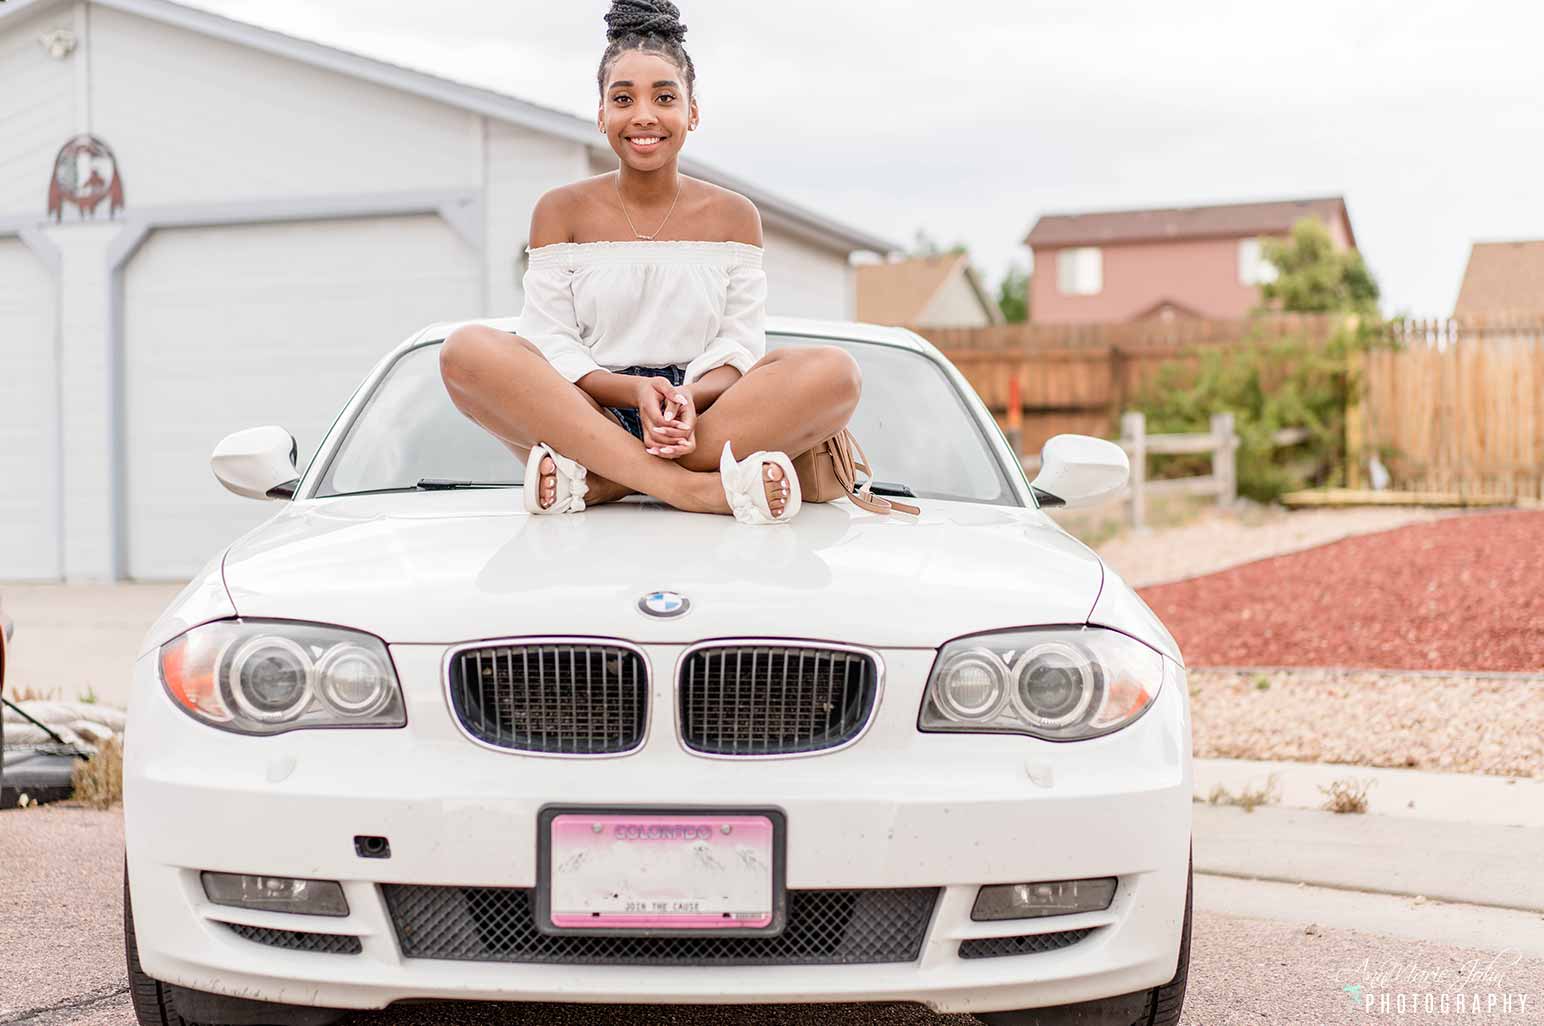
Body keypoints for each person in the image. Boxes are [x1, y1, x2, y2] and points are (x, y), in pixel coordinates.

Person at [439, 0, 863, 525]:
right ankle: (691, 490)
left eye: (664, 97)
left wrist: (684, 397)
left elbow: (740, 346)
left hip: (703, 420)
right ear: (601, 114)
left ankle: (602, 481)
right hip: (583, 413)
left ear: (692, 112)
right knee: (464, 351)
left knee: (836, 373)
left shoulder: (736, 217)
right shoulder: (559, 211)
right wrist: (634, 391)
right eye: (623, 98)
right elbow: (549, 341)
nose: (644, 115)